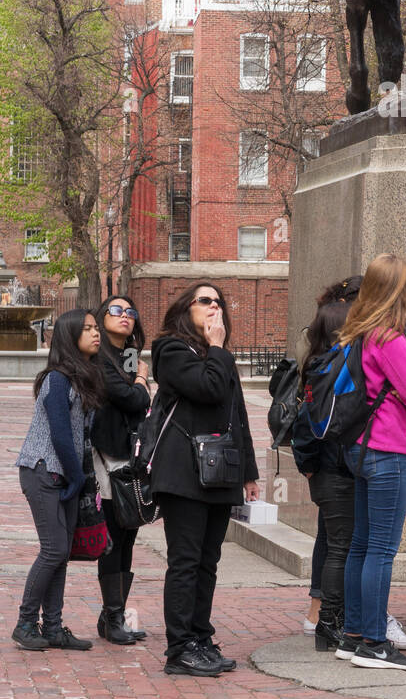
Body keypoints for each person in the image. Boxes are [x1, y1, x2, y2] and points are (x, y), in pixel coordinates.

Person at [149, 282, 259, 677]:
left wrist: (249, 471)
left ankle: (199, 636)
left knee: (208, 562)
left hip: (220, 472)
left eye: (219, 302)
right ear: (186, 309)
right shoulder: (171, 350)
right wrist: (217, 349)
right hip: (182, 473)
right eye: (205, 301)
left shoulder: (219, 355)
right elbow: (209, 389)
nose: (215, 308)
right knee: (186, 561)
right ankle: (179, 649)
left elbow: (237, 415)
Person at [334, 254, 406, 671]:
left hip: (359, 446)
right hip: (388, 449)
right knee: (381, 549)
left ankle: (354, 633)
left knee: (361, 544)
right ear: (398, 288)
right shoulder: (389, 338)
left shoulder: (357, 332)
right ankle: (375, 642)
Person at [13, 309, 105, 652]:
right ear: (70, 335)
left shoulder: (82, 377)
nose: (96, 333)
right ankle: (25, 623)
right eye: (89, 329)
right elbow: (61, 435)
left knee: (62, 552)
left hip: (64, 474)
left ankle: (52, 627)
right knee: (53, 550)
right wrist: (78, 475)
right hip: (42, 471)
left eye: (97, 328)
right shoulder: (56, 379)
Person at [291, 277, 363, 651]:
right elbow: (312, 425)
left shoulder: (317, 364)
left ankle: (335, 621)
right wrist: (311, 464)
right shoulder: (337, 367)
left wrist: (308, 464)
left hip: (326, 470)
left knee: (341, 545)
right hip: (336, 469)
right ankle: (331, 624)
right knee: (342, 547)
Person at [91, 294, 152, 644]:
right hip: (107, 454)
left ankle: (113, 616)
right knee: (113, 536)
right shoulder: (98, 357)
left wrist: (137, 380)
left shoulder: (129, 355)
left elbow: (137, 405)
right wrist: (142, 380)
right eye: (116, 310)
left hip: (133, 455)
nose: (125, 315)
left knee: (129, 531)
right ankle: (113, 617)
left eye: (130, 311)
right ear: (103, 318)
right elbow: (133, 398)